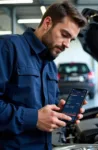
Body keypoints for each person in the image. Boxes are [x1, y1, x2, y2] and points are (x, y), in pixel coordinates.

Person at [0, 1, 87, 149]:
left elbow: (44, 108)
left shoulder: (51, 65)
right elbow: (37, 116)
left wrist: (60, 112)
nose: (67, 44)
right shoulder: (8, 47)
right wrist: (34, 118)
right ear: (47, 23)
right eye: (64, 35)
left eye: (71, 40)